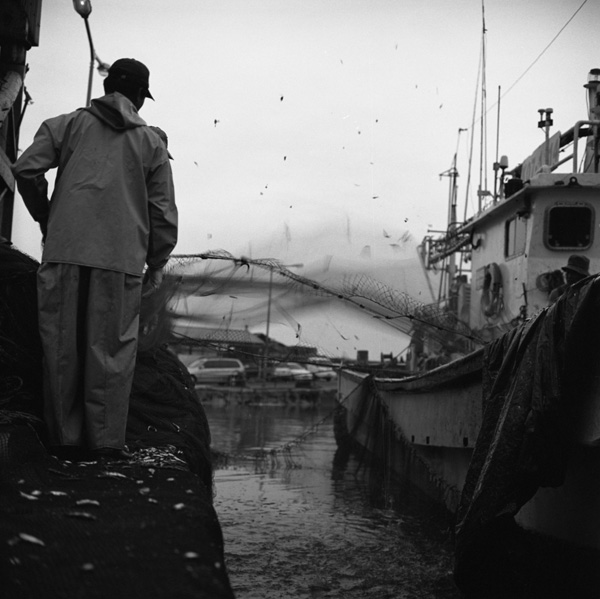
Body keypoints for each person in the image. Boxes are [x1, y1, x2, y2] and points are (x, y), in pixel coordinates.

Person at [12, 58, 178, 461]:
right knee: (111, 353)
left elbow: (26, 169)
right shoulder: (152, 144)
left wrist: (48, 217)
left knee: (61, 346)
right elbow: (162, 214)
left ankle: (63, 440)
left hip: (64, 252)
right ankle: (104, 444)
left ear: (106, 88)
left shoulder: (66, 124)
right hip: (121, 260)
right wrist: (157, 261)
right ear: (140, 96)